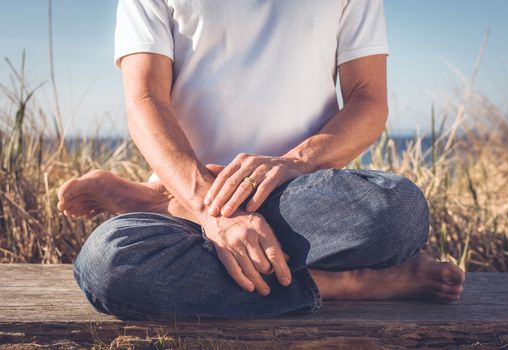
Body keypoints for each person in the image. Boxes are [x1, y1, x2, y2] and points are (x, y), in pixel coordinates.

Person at [57, 0, 464, 320]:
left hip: (298, 201)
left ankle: (159, 199)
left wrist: (296, 162)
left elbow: (369, 100)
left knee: (399, 212)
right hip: (192, 198)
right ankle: (344, 283)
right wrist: (210, 210)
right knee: (109, 265)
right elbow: (144, 99)